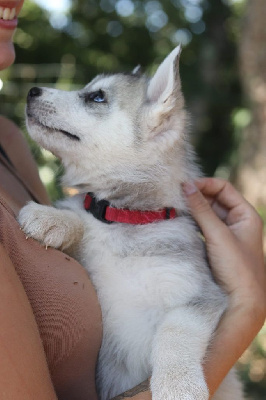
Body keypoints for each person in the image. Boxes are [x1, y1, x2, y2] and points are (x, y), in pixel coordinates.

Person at [0, 2, 265, 400]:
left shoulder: (9, 145)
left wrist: (176, 362)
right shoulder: (78, 215)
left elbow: (197, 304)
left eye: (98, 100)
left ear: (158, 125)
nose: (51, 96)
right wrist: (247, 308)